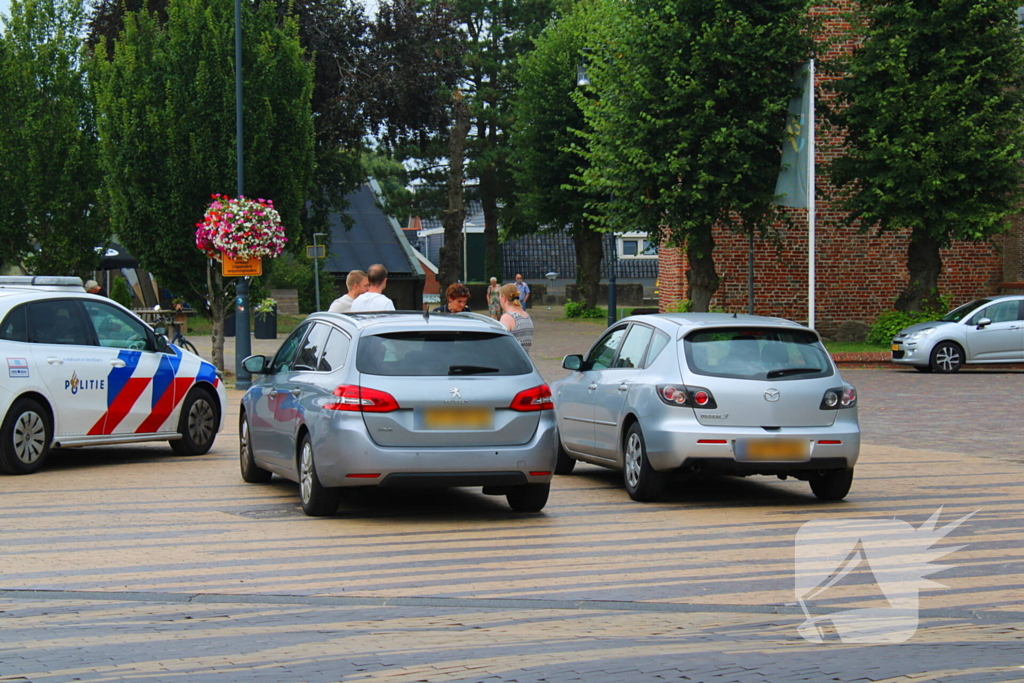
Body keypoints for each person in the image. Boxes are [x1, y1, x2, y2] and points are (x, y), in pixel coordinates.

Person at [499, 282, 533, 354]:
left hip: (512, 361)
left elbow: (502, 344)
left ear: (503, 298)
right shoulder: (526, 315)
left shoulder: (507, 317)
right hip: (526, 360)